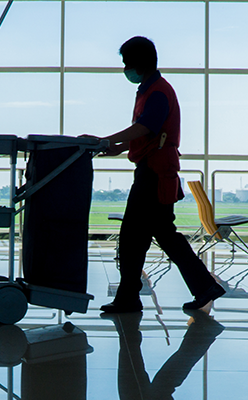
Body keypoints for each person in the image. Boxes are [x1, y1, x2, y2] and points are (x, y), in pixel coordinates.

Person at [86, 36, 226, 313]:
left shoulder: (158, 92)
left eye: (127, 63)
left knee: (132, 237)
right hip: (154, 168)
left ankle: (131, 297)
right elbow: (147, 133)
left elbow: (146, 128)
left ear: (138, 63)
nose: (125, 68)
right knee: (158, 233)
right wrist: (117, 148)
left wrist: (105, 140)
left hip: (154, 172)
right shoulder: (149, 91)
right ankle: (202, 286)